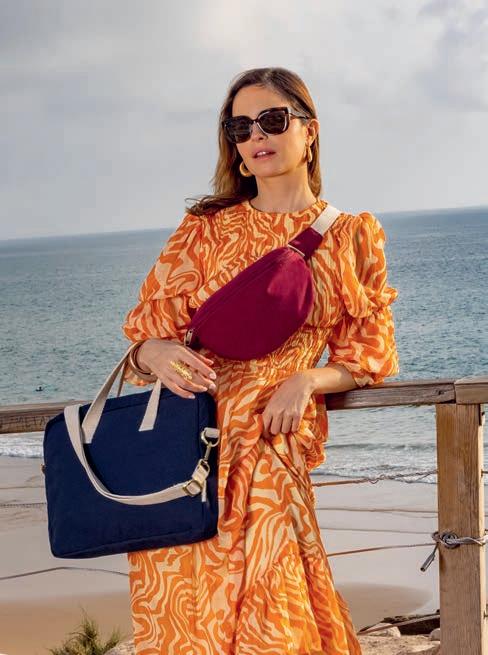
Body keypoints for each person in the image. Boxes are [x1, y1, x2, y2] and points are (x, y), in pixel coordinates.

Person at [121, 66, 399, 655]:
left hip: (271, 445)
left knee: (275, 616)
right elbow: (143, 342)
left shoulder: (350, 236)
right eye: (240, 126)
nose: (256, 136)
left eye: (272, 120)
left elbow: (369, 355)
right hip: (189, 454)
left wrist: (308, 380)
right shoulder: (205, 230)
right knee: (191, 618)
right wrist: (157, 351)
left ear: (309, 131)